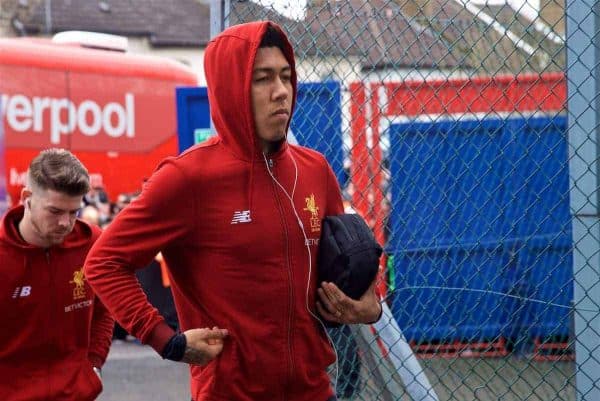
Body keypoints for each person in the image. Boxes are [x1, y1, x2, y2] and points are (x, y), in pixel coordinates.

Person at [84, 21, 381, 401]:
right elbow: (103, 262)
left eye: (286, 77)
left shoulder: (315, 170)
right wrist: (167, 341)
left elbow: (343, 266)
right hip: (231, 393)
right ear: (231, 87)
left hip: (313, 391)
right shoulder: (188, 177)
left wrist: (368, 305)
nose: (281, 92)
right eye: (262, 79)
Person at [0, 148, 114, 400]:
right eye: (55, 211)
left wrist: (93, 365)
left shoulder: (92, 242)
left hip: (76, 394)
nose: (65, 222)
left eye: (73, 212)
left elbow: (104, 310)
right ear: (27, 197)